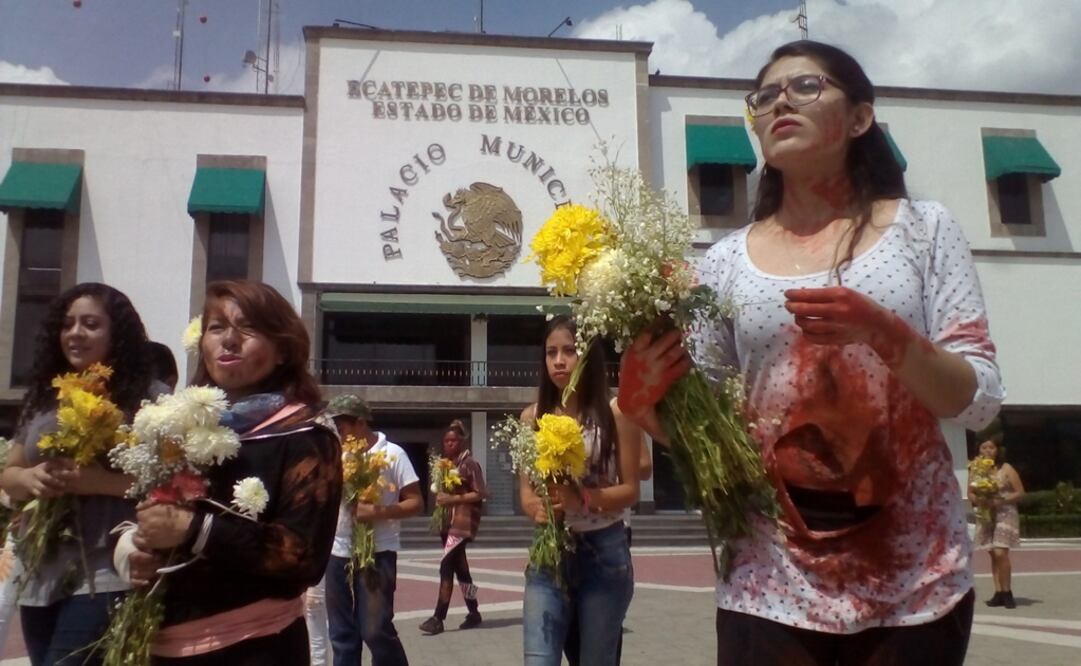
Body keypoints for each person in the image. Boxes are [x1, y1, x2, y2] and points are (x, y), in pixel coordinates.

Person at [617, 41, 1004, 665]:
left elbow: (979, 398)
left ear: (859, 118)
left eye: (805, 87)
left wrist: (886, 334)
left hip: (915, 582)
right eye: (765, 96)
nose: (779, 104)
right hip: (768, 585)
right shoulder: (721, 264)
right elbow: (718, 439)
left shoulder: (924, 231)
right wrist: (645, 410)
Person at [126, 279, 342, 664]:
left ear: (282, 350)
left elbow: (303, 557)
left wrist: (196, 530)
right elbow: (147, 515)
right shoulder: (178, 428)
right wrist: (133, 550)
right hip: (162, 645)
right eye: (216, 327)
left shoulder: (305, 435)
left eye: (248, 328)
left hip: (252, 645)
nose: (229, 340)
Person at [0, 282, 159, 666]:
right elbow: (9, 473)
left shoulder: (149, 401)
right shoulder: (44, 397)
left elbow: (169, 485)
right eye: (68, 323)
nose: (75, 333)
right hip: (40, 574)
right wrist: (31, 478)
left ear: (116, 334)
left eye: (90, 324)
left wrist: (98, 483)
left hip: (105, 570)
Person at [520, 315, 643, 666]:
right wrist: (536, 508)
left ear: (588, 356)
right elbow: (527, 492)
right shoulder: (532, 417)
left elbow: (631, 489)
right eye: (551, 352)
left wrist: (583, 498)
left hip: (603, 552)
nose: (559, 361)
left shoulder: (617, 412)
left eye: (569, 351)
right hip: (549, 554)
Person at [324, 394, 421, 666]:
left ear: (360, 422)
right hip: (338, 551)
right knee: (342, 634)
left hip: (378, 552)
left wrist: (377, 512)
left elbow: (416, 502)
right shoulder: (337, 455)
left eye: (340, 428)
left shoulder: (392, 454)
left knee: (375, 630)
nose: (338, 435)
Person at [418, 418, 487, 635]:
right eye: (446, 441)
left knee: (445, 566)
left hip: (462, 524)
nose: (449, 444)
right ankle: (474, 612)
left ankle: (438, 617)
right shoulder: (448, 465)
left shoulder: (469, 464)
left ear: (462, 442)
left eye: (453, 441)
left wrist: (452, 500)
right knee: (462, 570)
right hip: (448, 523)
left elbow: (480, 493)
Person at [970, 438, 1024, 609]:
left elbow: (1020, 492)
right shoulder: (977, 470)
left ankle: (1007, 592)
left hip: (1005, 513)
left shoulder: (1006, 468)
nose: (987, 450)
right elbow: (970, 492)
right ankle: (998, 592)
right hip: (986, 514)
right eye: (984, 447)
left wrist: (1001, 501)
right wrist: (979, 500)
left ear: (997, 450)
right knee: (992, 553)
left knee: (1001, 552)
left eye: (991, 447)